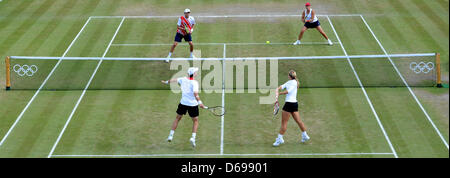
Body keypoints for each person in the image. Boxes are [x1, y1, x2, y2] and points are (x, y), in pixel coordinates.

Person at [161, 67, 205, 147]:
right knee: (195, 121)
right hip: (192, 105)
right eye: (196, 72)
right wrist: (200, 102)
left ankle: (170, 136)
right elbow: (196, 94)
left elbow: (173, 81)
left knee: (177, 118)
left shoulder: (183, 79)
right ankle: (193, 138)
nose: (197, 73)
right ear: (193, 74)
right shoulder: (194, 83)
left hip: (183, 103)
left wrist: (166, 82)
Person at [273, 70, 310, 147]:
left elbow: (288, 91)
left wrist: (279, 93)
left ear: (290, 76)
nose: (287, 76)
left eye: (288, 75)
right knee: (299, 121)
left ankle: (280, 139)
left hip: (289, 105)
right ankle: (305, 135)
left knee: (284, 123)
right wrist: (277, 89)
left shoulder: (293, 83)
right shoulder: (290, 82)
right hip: (294, 104)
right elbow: (282, 86)